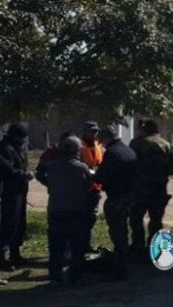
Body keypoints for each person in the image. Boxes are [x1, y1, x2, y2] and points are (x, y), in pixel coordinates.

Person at [37, 136, 92, 285]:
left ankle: (55, 277)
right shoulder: (81, 168)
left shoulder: (52, 166)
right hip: (76, 211)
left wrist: (51, 186)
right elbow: (89, 185)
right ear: (77, 151)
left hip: (56, 210)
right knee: (76, 247)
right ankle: (75, 277)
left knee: (56, 247)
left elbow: (41, 176)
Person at [129, 119, 173, 260]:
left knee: (136, 218)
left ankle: (138, 247)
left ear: (144, 130)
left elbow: (131, 164)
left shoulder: (138, 143)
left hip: (140, 188)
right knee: (156, 220)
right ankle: (155, 251)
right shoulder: (166, 144)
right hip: (159, 189)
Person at [94, 126, 137, 280]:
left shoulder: (112, 153)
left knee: (118, 234)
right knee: (123, 231)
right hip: (129, 195)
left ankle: (120, 268)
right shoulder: (128, 150)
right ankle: (123, 264)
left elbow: (101, 176)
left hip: (117, 197)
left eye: (102, 141)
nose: (101, 144)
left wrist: (93, 174)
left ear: (107, 138)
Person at [0, 123, 34, 271]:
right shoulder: (5, 149)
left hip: (19, 191)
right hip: (10, 192)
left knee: (19, 224)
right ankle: (3, 257)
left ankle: (15, 254)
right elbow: (8, 170)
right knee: (9, 223)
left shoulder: (15, 147)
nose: (23, 141)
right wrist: (24, 174)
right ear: (15, 136)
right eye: (21, 137)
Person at [79, 121, 104, 250]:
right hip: (82, 189)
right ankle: (80, 245)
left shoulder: (98, 145)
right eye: (92, 131)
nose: (94, 134)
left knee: (91, 218)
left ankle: (86, 244)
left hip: (95, 188)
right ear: (85, 131)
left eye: (96, 131)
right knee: (81, 218)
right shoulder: (78, 146)